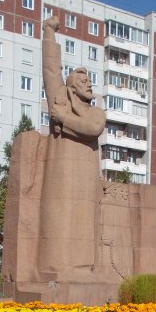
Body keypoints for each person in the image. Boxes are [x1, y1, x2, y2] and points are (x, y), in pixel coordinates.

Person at [37, 16, 106, 281]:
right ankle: (56, 268)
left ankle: (82, 269)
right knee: (60, 216)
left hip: (87, 171)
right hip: (62, 166)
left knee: (84, 220)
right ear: (71, 86)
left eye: (89, 81)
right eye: (83, 81)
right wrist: (49, 33)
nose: (89, 84)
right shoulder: (60, 97)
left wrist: (63, 119)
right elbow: (51, 71)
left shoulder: (96, 112)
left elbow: (93, 129)